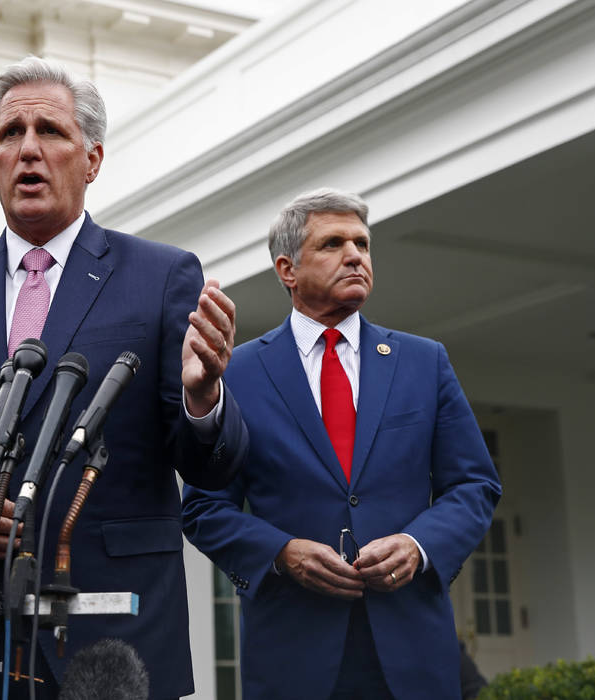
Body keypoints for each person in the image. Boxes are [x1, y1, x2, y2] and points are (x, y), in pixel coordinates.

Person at [0, 56, 245, 700]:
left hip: (112, 640)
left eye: (51, 132)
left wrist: (205, 401)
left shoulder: (160, 277)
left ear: (92, 159)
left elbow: (212, 468)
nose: (28, 149)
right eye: (10, 135)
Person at [181, 188, 501, 699]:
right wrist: (282, 552)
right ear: (287, 269)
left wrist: (419, 546)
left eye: (362, 244)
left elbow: (475, 485)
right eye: (333, 243)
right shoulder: (236, 373)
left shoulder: (425, 362)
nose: (355, 255)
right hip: (292, 655)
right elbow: (203, 509)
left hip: (414, 652)